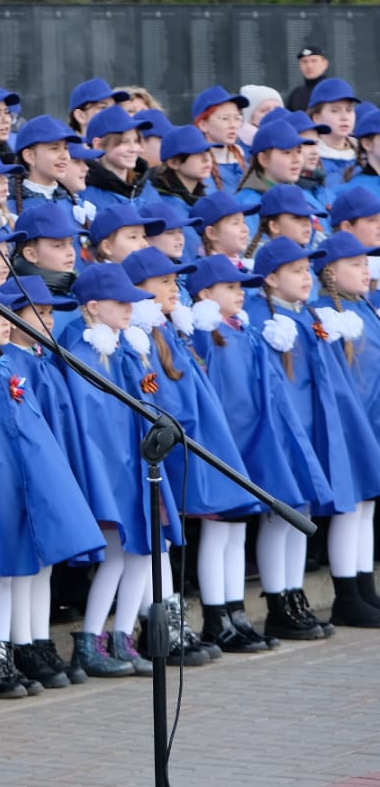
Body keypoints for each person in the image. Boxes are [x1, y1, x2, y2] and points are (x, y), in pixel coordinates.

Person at [0, 281, 104, 697]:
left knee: (6, 575)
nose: (5, 322)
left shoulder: (4, 367)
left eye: (6, 314)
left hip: (16, 482)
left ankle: (5, 655)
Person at [123, 248, 261, 663]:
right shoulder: (141, 337)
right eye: (164, 282)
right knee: (158, 540)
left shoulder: (170, 332)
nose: (174, 288)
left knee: (170, 539)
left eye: (174, 281)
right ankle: (160, 627)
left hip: (187, 440)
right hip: (163, 450)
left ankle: (186, 621)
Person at [188, 255, 331, 648]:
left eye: (241, 287)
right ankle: (216, 618)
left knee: (236, 533)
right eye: (230, 287)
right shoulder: (207, 333)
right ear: (205, 294)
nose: (240, 294)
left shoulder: (244, 331)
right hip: (225, 444)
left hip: (251, 442)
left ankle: (237, 614)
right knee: (218, 532)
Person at [247, 236, 380, 639]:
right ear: (271, 279)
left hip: (310, 431)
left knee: (299, 518)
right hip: (284, 434)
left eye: (307, 271)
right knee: (280, 518)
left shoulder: (306, 316)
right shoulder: (263, 320)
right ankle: (278, 604)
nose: (306, 278)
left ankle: (296, 597)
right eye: (296, 271)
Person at [57, 263, 182, 677]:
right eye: (120, 302)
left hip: (137, 464)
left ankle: (122, 637)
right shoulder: (81, 349)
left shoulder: (124, 346)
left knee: (143, 552)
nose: (130, 308)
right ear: (93, 306)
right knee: (115, 555)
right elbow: (89, 421)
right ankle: (90, 640)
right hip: (110, 468)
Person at [308, 231, 380, 627]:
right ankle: (347, 596)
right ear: (330, 273)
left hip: (372, 422)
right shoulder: (325, 315)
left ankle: (366, 589)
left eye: (366, 263)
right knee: (349, 510)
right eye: (355, 264)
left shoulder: (365, 306)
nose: (365, 270)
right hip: (350, 426)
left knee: (367, 507)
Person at [79, 105, 152, 212]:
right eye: (124, 142)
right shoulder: (84, 193)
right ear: (98, 145)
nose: (133, 149)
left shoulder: (146, 187)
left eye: (136, 141)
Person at [287, 45, 331, 114]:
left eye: (314, 61)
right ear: (300, 65)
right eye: (304, 61)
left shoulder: (334, 90)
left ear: (325, 64)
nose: (309, 66)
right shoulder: (296, 95)